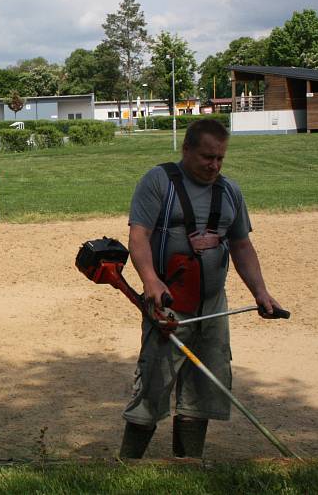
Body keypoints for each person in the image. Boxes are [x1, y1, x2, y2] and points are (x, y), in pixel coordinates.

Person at [120, 119, 283, 459]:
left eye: (220, 158)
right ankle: (128, 464)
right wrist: (151, 280)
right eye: (207, 157)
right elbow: (139, 236)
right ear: (187, 150)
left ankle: (188, 465)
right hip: (168, 307)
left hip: (212, 307)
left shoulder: (229, 192)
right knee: (152, 385)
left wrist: (261, 292)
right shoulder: (158, 182)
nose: (214, 165)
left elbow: (241, 246)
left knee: (202, 389)